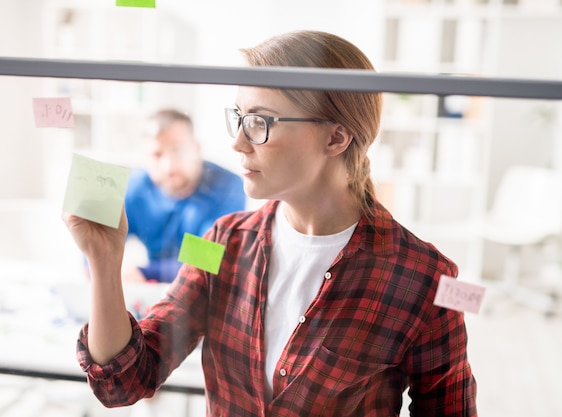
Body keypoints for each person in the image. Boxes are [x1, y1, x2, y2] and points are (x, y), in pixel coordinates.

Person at [63, 30, 477, 416]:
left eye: (260, 122)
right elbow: (125, 381)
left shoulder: (426, 279)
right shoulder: (221, 241)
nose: (238, 142)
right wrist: (104, 260)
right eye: (239, 118)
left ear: (335, 138)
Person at [121, 108, 246, 283]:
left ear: (196, 149)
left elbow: (206, 260)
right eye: (157, 155)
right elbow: (96, 245)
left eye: (178, 151)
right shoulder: (135, 187)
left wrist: (143, 272)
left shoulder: (227, 186)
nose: (168, 166)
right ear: (145, 156)